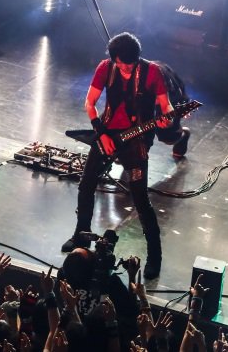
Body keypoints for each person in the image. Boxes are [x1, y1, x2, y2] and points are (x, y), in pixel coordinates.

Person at [62, 31, 175, 281]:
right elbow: (90, 103)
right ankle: (81, 236)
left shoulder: (152, 72)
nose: (127, 68)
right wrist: (101, 133)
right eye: (123, 64)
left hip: (137, 139)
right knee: (86, 185)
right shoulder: (105, 68)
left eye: (131, 64)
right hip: (108, 134)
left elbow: (165, 106)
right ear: (114, 59)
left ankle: (154, 256)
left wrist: (167, 118)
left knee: (140, 199)